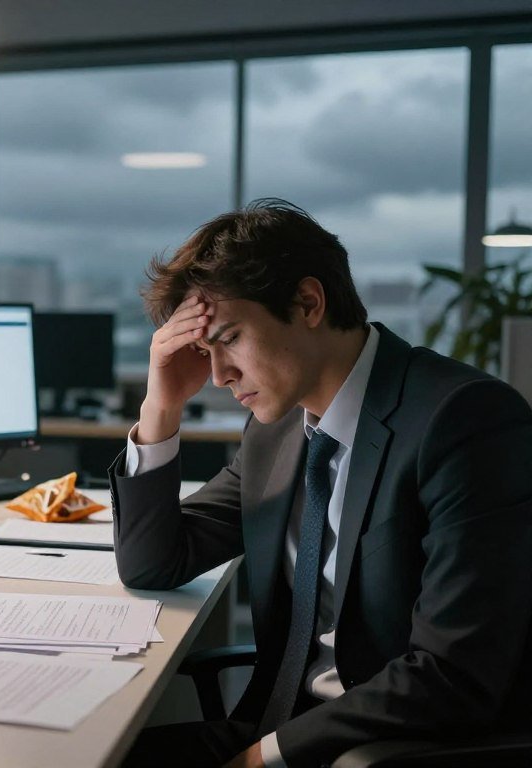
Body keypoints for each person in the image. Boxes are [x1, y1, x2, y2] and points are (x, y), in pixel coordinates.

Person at [111, 199, 532, 768]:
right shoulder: (278, 430)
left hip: (384, 750)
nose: (217, 375)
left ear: (308, 303)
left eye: (230, 337)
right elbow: (154, 562)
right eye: (205, 351)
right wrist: (160, 407)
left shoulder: (464, 421)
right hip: (273, 727)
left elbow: (451, 671)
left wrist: (265, 756)